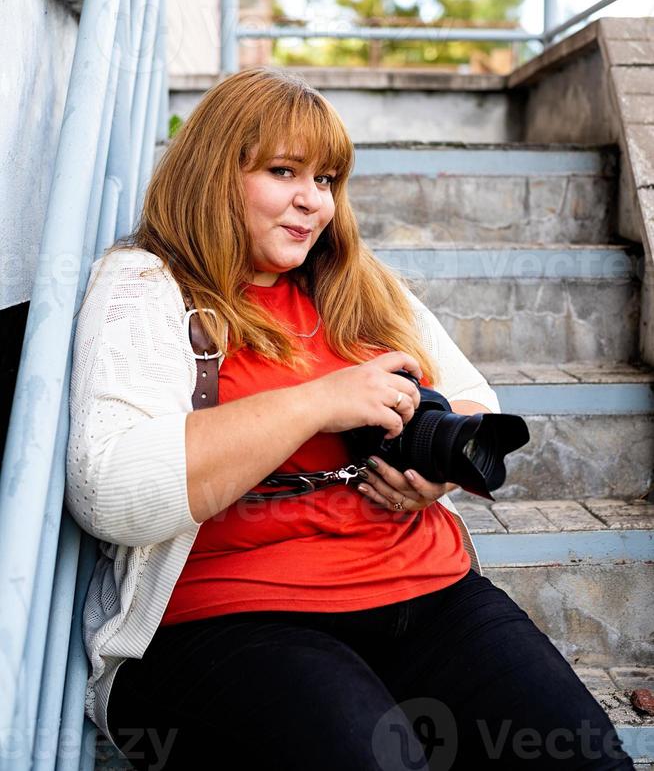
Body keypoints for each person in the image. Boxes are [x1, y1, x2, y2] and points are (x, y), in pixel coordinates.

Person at [66, 68, 634, 771]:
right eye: (284, 172)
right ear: (214, 173)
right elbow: (110, 489)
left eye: (328, 180)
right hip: (235, 614)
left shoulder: (357, 280)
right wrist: (319, 402)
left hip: (431, 591)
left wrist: (433, 478)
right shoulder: (148, 284)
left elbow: (474, 402)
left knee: (587, 759)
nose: (314, 203)